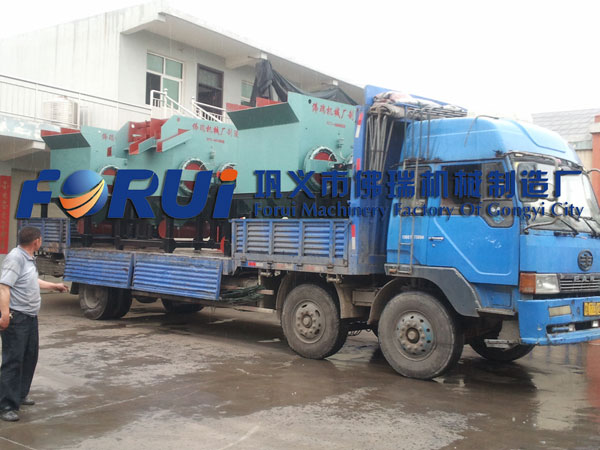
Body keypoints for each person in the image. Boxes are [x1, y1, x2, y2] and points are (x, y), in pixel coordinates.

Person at [0, 226, 67, 422]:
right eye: (41, 239)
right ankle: (6, 405)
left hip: (29, 316)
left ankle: (20, 395)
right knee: (13, 360)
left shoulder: (28, 258)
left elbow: (30, 281)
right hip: (17, 317)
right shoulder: (15, 258)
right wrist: (5, 315)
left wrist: (53, 285)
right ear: (36, 241)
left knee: (29, 357)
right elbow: (4, 287)